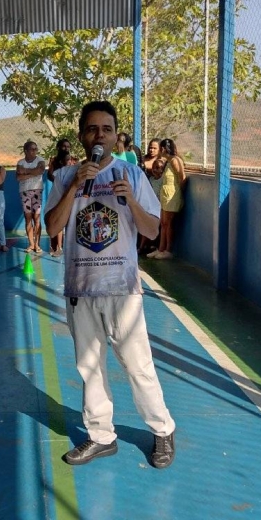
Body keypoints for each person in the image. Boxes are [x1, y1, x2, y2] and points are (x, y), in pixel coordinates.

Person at [44, 100, 176, 469]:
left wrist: (130, 200)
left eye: (106, 129)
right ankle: (101, 436)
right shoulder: (64, 177)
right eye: (92, 129)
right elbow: (52, 228)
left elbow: (151, 230)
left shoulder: (131, 174)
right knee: (90, 367)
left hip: (122, 289)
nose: (99, 136)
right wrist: (75, 185)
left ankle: (162, 429)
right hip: (81, 288)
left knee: (138, 366)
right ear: (82, 136)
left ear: (116, 135)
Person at [152, 138, 187, 260]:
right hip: (165, 195)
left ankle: (168, 250)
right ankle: (161, 249)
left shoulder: (175, 161)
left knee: (168, 223)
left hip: (172, 195)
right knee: (163, 223)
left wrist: (180, 192)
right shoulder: (167, 161)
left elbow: (182, 177)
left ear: (162, 149)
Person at [16, 140, 46, 253]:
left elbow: (40, 170)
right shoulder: (20, 162)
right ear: (26, 151)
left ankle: (37, 244)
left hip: (37, 191)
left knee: (37, 217)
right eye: (32, 149)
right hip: (24, 191)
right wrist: (33, 172)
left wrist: (25, 172)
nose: (34, 151)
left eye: (36, 149)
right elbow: (18, 177)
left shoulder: (40, 160)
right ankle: (31, 244)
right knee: (28, 217)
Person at [47, 148, 75, 256]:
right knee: (58, 226)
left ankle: (61, 246)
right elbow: (52, 177)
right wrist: (50, 166)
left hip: (68, 201)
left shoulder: (73, 171)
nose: (70, 162)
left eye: (70, 160)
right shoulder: (59, 173)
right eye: (67, 160)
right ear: (62, 161)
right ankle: (57, 246)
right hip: (58, 201)